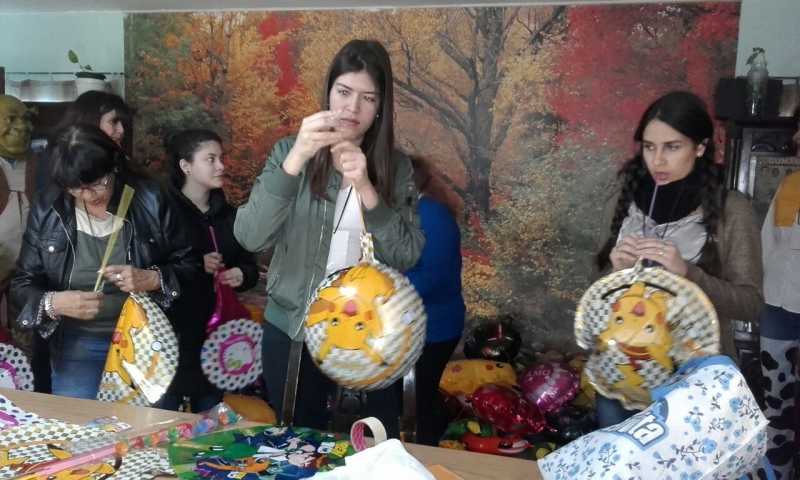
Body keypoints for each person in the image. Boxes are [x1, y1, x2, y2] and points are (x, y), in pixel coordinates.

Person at [234, 39, 424, 434]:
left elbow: (407, 255)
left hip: (373, 334)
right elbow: (250, 237)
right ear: (328, 93)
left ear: (380, 108)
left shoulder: (396, 167)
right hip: (294, 328)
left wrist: (367, 187)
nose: (352, 108)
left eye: (368, 98)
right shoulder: (289, 152)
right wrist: (297, 159)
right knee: (299, 442)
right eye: (344, 92)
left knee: (375, 444)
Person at [594, 91, 763, 427]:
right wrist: (616, 273)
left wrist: (688, 273)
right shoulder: (624, 199)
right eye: (649, 147)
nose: (657, 161)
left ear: (699, 147)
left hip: (696, 380)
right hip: (625, 373)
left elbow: (751, 304)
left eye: (672, 147)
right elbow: (598, 298)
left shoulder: (732, 210)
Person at [10, 124, 199, 400]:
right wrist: (53, 302)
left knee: (149, 424)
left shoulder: (151, 198)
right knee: (78, 423)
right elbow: (22, 284)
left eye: (98, 183)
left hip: (145, 341)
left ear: (114, 166)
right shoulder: (48, 207)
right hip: (77, 344)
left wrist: (152, 278)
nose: (90, 195)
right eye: (77, 188)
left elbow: (192, 266)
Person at [163, 129, 258, 412]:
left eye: (221, 158)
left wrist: (242, 274)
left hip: (215, 336)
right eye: (211, 159)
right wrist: (194, 264)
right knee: (160, 419)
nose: (221, 166)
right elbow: (148, 266)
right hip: (170, 333)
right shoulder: (164, 212)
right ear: (186, 165)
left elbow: (249, 264)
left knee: (211, 420)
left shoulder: (229, 215)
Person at [405, 155, 465, 445]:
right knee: (417, 398)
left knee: (420, 400)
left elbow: (431, 278)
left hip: (434, 327)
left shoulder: (431, 214)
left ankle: (429, 449)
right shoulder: (412, 210)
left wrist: (379, 292)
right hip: (417, 324)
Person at [759, 116, 800, 480]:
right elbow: (769, 246)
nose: (797, 137)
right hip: (778, 310)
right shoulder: (790, 186)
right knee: (776, 408)